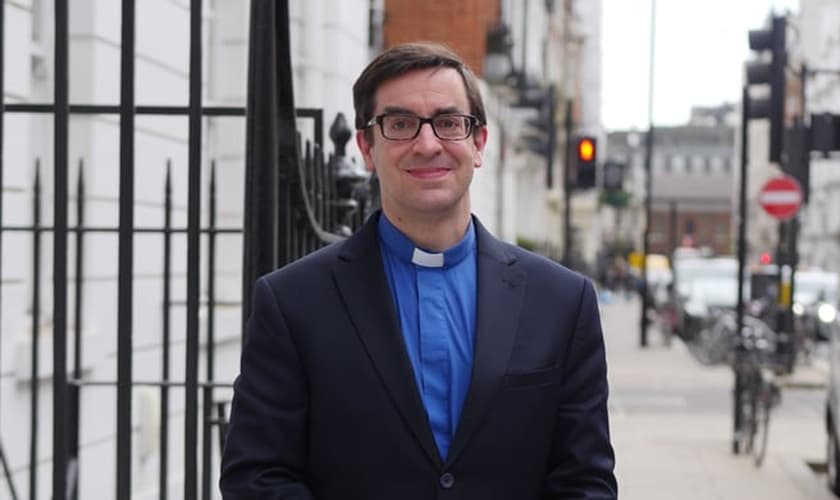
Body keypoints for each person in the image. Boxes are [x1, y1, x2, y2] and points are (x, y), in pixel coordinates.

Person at [220, 41, 617, 499]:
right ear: (366, 147)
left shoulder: (563, 301)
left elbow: (585, 481)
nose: (427, 144)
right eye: (400, 124)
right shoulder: (292, 302)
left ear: (479, 142)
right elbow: (256, 477)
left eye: (449, 123)